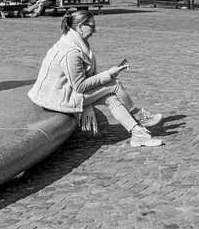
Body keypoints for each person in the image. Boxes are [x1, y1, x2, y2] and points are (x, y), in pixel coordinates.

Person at [28, 10, 165, 147]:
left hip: (61, 93)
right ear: (80, 27)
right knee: (114, 84)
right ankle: (138, 115)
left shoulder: (73, 42)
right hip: (58, 98)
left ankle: (138, 133)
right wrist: (109, 74)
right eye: (92, 27)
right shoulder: (71, 52)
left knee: (111, 98)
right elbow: (80, 86)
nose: (95, 31)